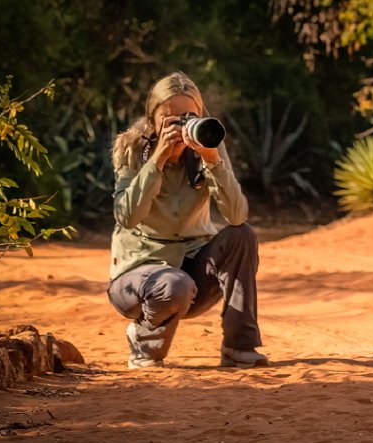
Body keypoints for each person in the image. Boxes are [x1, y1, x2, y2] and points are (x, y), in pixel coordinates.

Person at [107, 71, 268, 370]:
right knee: (173, 285)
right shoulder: (132, 150)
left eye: (189, 116)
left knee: (242, 235)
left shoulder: (208, 146)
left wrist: (212, 160)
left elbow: (236, 215)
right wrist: (157, 160)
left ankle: (238, 346)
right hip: (138, 277)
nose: (182, 125)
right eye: (171, 119)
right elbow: (127, 217)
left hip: (193, 272)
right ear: (152, 119)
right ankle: (144, 340)